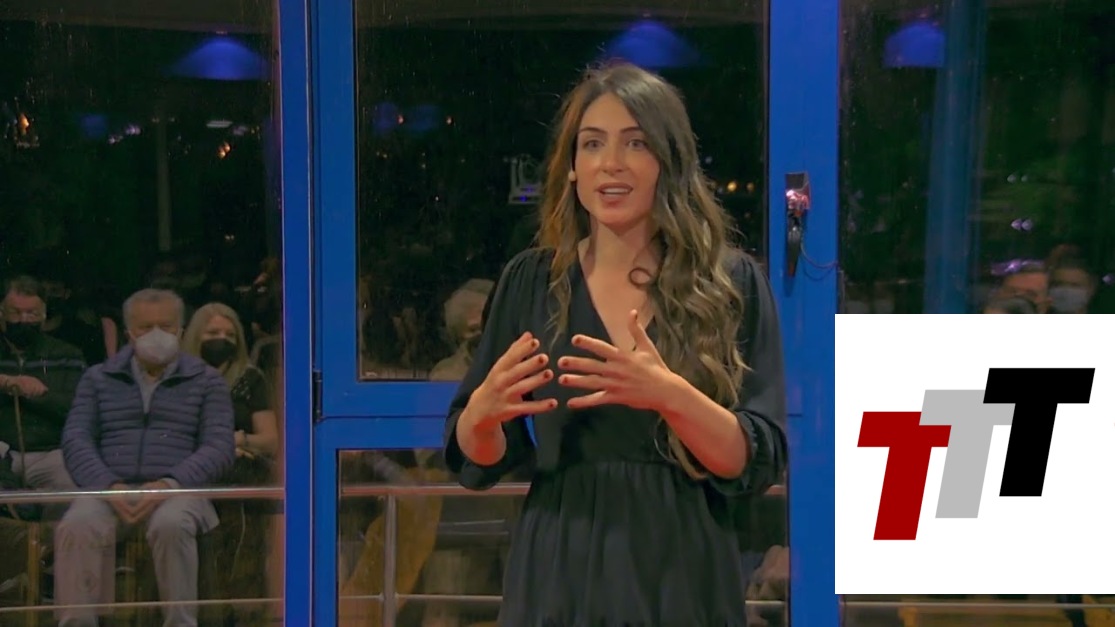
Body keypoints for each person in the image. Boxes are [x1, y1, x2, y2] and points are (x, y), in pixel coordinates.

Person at [443, 62, 788, 626]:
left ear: (668, 161)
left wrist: (668, 395)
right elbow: (480, 460)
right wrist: (479, 419)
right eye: (592, 144)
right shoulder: (531, 280)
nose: (611, 163)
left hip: (683, 568)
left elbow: (753, 462)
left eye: (636, 143)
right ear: (572, 168)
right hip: (559, 566)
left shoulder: (730, 283)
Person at [55, 288, 235, 627]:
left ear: (181, 331)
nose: (156, 335)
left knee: (172, 525)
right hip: (109, 489)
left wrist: (169, 484)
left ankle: (180, 623)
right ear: (129, 333)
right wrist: (108, 486)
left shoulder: (207, 380)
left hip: (180, 490)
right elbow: (75, 439)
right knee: (77, 525)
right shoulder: (97, 378)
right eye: (145, 327)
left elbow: (219, 446)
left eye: (165, 326)